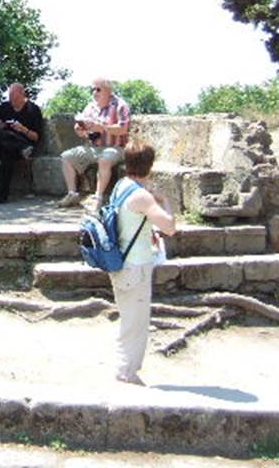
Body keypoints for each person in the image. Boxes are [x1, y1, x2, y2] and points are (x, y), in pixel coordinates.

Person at [108, 139, 175, 385]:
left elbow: (131, 222)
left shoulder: (120, 187)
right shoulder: (142, 197)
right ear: (150, 166)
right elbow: (170, 227)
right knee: (136, 324)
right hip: (136, 267)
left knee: (128, 319)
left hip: (119, 262)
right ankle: (126, 373)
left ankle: (123, 367)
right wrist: (165, 202)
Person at [58, 78, 130, 208]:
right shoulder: (91, 106)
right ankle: (72, 194)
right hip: (92, 147)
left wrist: (103, 128)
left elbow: (123, 129)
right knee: (66, 156)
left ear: (108, 90)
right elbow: (82, 126)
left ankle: (98, 197)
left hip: (115, 147)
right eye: (93, 89)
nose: (94, 92)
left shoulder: (120, 105)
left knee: (104, 159)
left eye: (98, 89)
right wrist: (79, 129)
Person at [0, 83, 43, 204]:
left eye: (15, 97)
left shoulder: (33, 110)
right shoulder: (4, 107)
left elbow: (36, 137)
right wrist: (1, 126)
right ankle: (20, 149)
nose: (12, 100)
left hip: (23, 140)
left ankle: (1, 196)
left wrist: (23, 129)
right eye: (10, 96)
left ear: (22, 95)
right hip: (6, 140)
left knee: (6, 156)